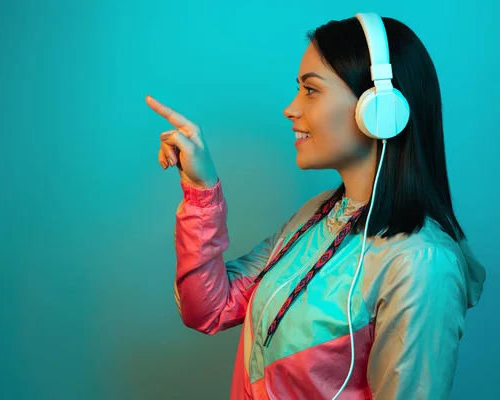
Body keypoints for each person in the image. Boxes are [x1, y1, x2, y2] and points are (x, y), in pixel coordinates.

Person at [146, 13, 486, 400]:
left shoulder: (421, 264)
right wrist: (201, 190)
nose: (290, 109)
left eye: (311, 90)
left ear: (379, 109)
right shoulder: (317, 214)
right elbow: (207, 308)